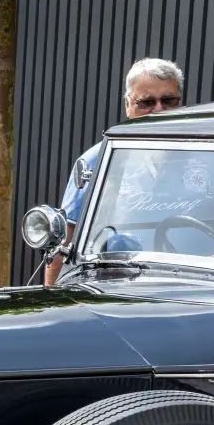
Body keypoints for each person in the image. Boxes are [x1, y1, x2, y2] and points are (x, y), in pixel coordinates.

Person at [45, 57, 186, 284]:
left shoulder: (211, 155)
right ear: (128, 105)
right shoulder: (98, 160)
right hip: (120, 287)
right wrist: (53, 296)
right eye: (146, 102)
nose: (159, 109)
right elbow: (65, 241)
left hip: (200, 285)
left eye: (169, 100)